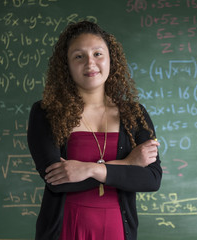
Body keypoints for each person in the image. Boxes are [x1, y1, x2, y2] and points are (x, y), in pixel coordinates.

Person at [27, 20, 162, 240]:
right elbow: (57, 181)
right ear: (67, 65)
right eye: (79, 56)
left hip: (117, 230)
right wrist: (129, 163)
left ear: (111, 59)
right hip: (66, 230)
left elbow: (151, 179)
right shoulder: (45, 113)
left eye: (98, 54)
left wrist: (90, 170)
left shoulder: (134, 114)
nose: (90, 63)